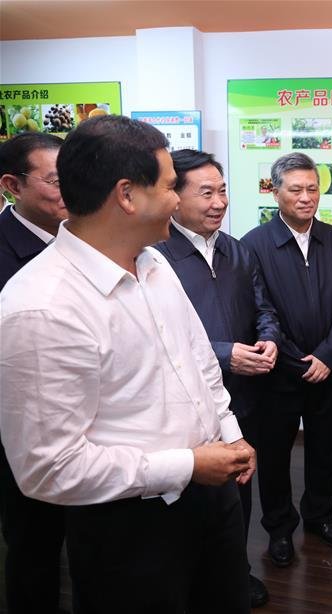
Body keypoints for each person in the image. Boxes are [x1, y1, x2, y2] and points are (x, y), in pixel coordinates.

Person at [0, 115, 255, 614]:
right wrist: (188, 466)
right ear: (127, 195)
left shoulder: (154, 262)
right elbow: (48, 468)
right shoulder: (41, 306)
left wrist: (229, 432)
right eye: (169, 187)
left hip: (211, 498)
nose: (178, 200)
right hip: (129, 527)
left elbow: (199, 361)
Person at [155, 149, 281, 608]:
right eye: (206, 192)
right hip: (183, 409)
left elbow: (264, 307)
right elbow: (161, 336)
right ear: (175, 196)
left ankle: (236, 570)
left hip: (242, 400)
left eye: (223, 191)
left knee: (238, 491)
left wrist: (268, 339)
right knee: (189, 500)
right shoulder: (155, 257)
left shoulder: (237, 250)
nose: (219, 202)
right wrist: (227, 354)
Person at [242, 152, 332, 567]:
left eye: (313, 188)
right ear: (276, 193)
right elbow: (260, 310)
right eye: (296, 190)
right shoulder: (253, 245)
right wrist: (297, 361)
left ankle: (320, 516)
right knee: (274, 456)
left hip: (328, 372)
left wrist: (327, 355)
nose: (306, 197)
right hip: (278, 375)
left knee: (327, 450)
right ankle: (279, 528)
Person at [0, 132, 67, 614]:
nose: (70, 190)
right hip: (22, 421)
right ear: (12, 185)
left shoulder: (79, 238)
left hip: (78, 416)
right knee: (32, 539)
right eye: (56, 181)